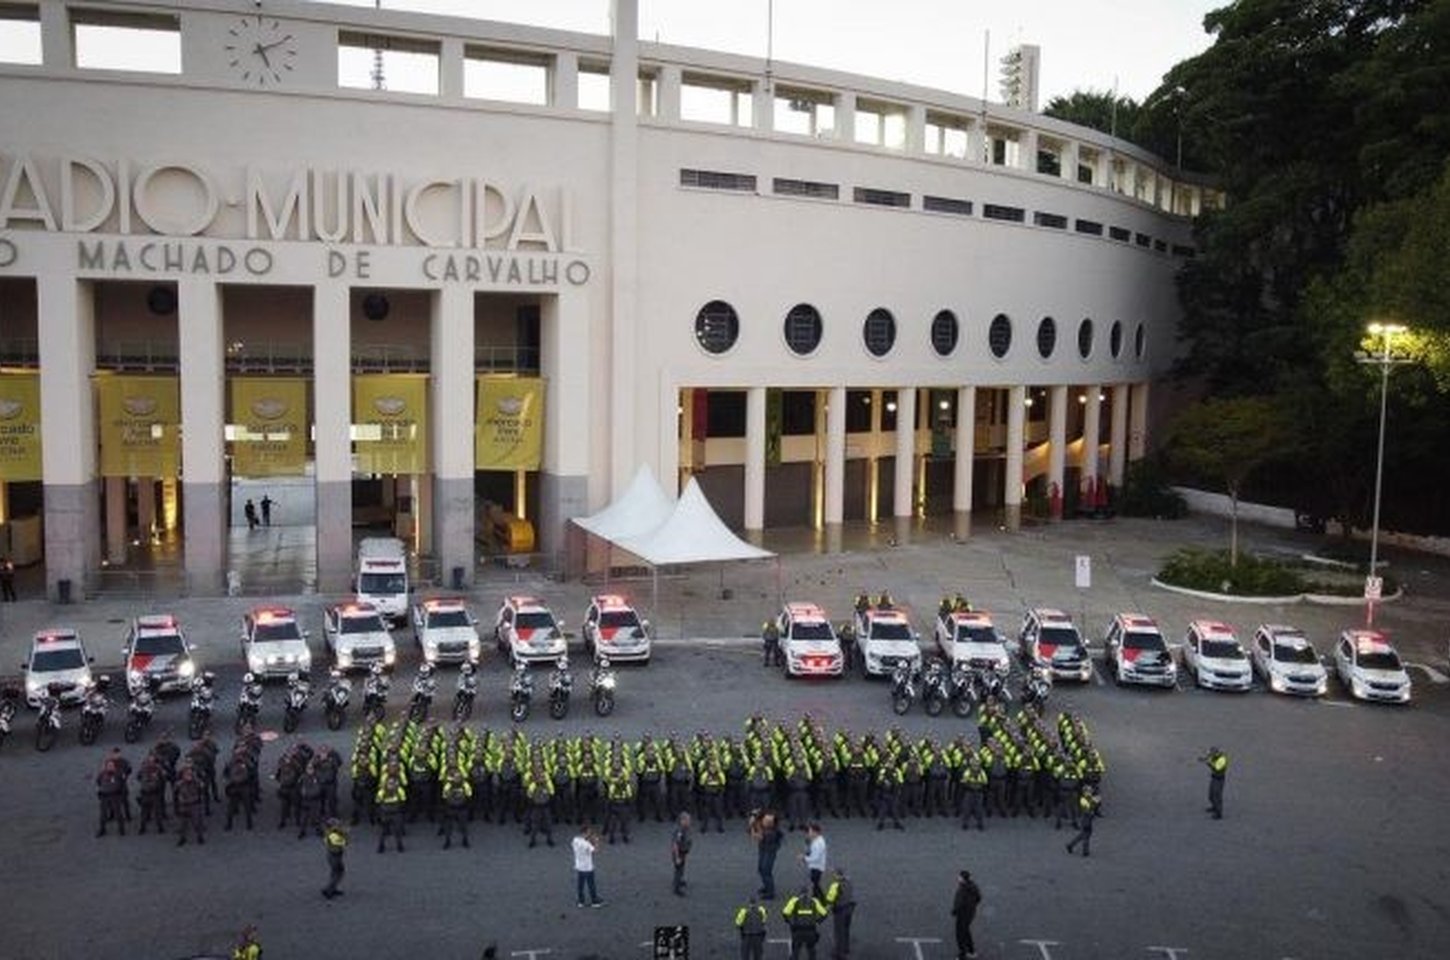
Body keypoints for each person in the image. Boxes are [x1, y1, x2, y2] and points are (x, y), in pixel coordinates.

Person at [782, 884, 829, 960]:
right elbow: (825, 913)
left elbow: (785, 913)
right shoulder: (814, 901)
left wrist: (790, 923)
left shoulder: (794, 900)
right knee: (811, 950)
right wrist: (818, 921)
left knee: (796, 950)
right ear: (808, 893)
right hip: (810, 930)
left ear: (800, 893)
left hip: (798, 930)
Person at [824, 867, 855, 959]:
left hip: (840, 910)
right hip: (849, 909)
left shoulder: (835, 885)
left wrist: (823, 912)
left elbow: (830, 900)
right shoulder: (849, 883)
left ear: (837, 875)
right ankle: (846, 948)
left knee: (839, 932)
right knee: (846, 930)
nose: (833, 876)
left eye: (834, 874)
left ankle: (839, 953)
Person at [753, 810, 784, 899]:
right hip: (763, 850)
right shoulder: (766, 828)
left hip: (769, 852)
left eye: (768, 821)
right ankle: (767, 886)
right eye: (765, 820)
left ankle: (770, 893)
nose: (765, 822)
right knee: (761, 868)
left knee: (766, 870)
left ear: (773, 823)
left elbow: (757, 837)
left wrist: (753, 824)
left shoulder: (771, 832)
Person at [951, 869, 981, 960]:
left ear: (962, 879)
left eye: (959, 877)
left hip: (962, 915)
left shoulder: (962, 889)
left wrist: (954, 911)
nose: (958, 878)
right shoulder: (973, 886)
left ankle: (962, 954)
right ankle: (971, 951)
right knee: (966, 931)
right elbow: (979, 898)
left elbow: (959, 903)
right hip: (970, 913)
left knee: (960, 934)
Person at [572, 824, 605, 908]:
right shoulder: (586, 844)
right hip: (587, 867)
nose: (590, 834)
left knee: (580, 885)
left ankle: (581, 901)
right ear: (585, 833)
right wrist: (596, 841)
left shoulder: (575, 840)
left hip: (579, 866)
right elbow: (595, 850)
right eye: (589, 832)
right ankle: (594, 901)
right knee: (591, 885)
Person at [1065, 784, 1100, 858]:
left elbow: (1096, 802)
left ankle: (1071, 845)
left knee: (1083, 834)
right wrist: (1093, 804)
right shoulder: (1084, 800)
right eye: (1089, 791)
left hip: (1088, 818)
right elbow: (1088, 809)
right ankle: (1084, 851)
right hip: (1086, 818)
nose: (1090, 792)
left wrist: (1095, 798)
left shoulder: (1088, 798)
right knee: (1086, 835)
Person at [735, 893, 769, 960]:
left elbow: (738, 923)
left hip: (747, 935)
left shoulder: (744, 911)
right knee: (758, 954)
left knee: (745, 954)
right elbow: (764, 920)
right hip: (758, 935)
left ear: (749, 903)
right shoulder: (761, 910)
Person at [322, 819, 348, 899]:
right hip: (335, 856)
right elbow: (343, 842)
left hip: (332, 855)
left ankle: (332, 888)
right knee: (338, 873)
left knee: (334, 872)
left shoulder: (329, 833)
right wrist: (345, 834)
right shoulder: (333, 835)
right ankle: (329, 889)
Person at [800, 822, 827, 901]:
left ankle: (821, 901)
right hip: (817, 866)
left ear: (815, 832)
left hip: (816, 867)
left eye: (810, 831)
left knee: (815, 885)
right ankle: (818, 900)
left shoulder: (818, 844)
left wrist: (804, 858)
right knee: (815, 884)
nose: (808, 833)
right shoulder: (818, 840)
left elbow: (815, 858)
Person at [1202, 746, 1229, 819]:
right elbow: (1209, 758)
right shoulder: (1215, 756)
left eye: (1212, 754)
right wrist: (1204, 759)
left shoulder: (1222, 759)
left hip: (1219, 779)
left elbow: (1216, 768)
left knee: (1217, 796)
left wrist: (1208, 763)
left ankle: (1218, 813)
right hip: (1214, 778)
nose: (1211, 755)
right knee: (1211, 794)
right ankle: (1214, 806)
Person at [671, 811, 693, 896]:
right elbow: (675, 844)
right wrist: (677, 857)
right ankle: (676, 888)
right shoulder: (679, 831)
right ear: (682, 821)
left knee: (681, 868)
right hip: (679, 853)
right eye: (688, 820)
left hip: (683, 852)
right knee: (679, 870)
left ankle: (679, 880)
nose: (689, 822)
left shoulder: (685, 829)